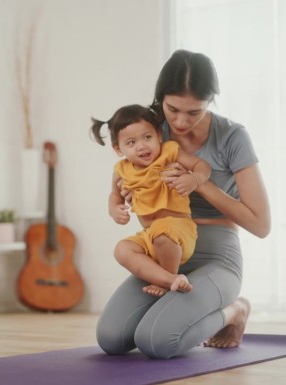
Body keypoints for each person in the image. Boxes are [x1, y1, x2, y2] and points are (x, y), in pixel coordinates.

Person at [96, 49, 271, 359]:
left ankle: (235, 310)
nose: (180, 121)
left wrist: (200, 183)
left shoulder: (231, 137)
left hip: (217, 254)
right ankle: (176, 294)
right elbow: (147, 209)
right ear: (160, 98)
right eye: (172, 109)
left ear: (210, 101)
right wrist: (129, 196)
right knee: (112, 338)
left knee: (157, 341)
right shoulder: (149, 133)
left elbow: (261, 225)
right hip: (165, 253)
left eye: (194, 112)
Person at [90, 104, 212, 297]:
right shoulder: (122, 170)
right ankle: (171, 279)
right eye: (131, 143)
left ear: (159, 136)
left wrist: (194, 179)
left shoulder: (169, 153)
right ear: (118, 149)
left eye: (147, 137)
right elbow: (115, 195)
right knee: (122, 250)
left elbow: (202, 166)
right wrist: (114, 210)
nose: (142, 146)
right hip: (150, 235)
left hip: (178, 232)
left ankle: (165, 281)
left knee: (162, 233)